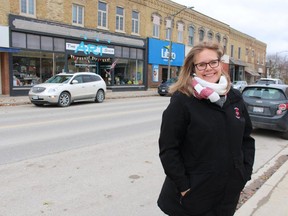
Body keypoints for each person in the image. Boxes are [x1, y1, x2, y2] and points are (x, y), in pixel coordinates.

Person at [157, 41, 255, 216]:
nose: (208, 68)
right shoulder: (183, 100)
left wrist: (243, 174)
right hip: (192, 196)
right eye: (201, 64)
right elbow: (168, 149)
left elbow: (246, 139)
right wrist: (184, 187)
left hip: (227, 194)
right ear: (193, 68)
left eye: (213, 62)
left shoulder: (234, 97)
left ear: (220, 64)